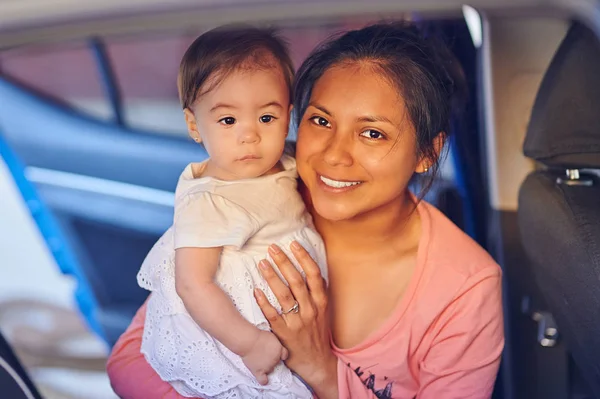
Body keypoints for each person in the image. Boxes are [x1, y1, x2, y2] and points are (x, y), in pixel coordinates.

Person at [108, 21, 504, 399]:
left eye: (372, 133)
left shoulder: (465, 290)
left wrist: (318, 367)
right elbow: (131, 361)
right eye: (320, 120)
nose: (333, 155)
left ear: (426, 153)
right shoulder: (262, 190)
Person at [134, 25, 328, 399]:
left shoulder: (284, 161)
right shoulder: (210, 200)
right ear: (194, 125)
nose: (250, 135)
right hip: (237, 332)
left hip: (295, 318)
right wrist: (250, 343)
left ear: (288, 116)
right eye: (228, 121)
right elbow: (193, 284)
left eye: (266, 118)